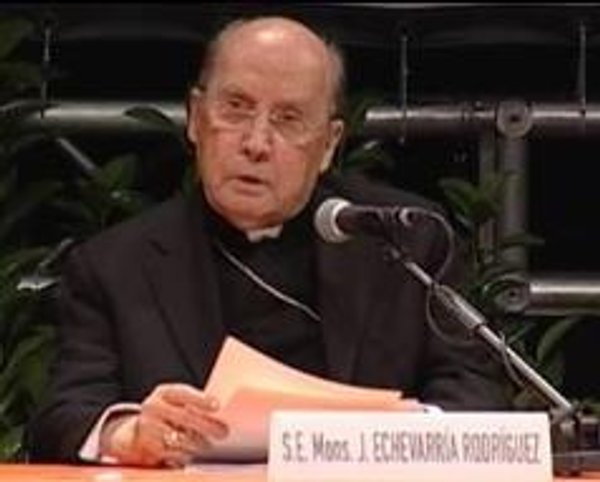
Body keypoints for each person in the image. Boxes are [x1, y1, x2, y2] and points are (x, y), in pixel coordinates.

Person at [27, 15, 510, 467]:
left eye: (288, 119)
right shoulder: (115, 265)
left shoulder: (405, 244)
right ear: (196, 118)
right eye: (236, 109)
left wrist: (394, 436)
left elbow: (475, 393)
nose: (256, 143)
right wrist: (128, 433)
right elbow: (63, 417)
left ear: (328, 144)